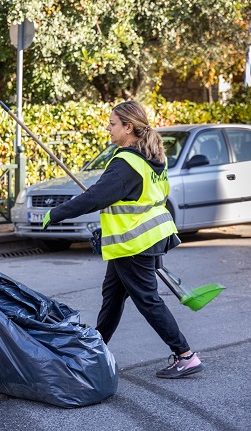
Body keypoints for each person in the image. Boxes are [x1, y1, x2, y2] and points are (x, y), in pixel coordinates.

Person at [42, 100, 203, 379]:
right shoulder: (151, 159)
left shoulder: (126, 162)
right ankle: (95, 352)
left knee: (147, 300)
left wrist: (56, 214)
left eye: (113, 123)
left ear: (128, 127)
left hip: (134, 243)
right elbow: (141, 201)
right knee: (113, 297)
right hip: (145, 238)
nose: (108, 128)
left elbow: (95, 197)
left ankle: (185, 355)